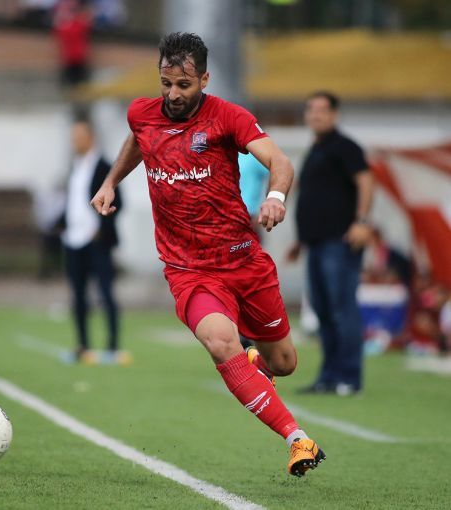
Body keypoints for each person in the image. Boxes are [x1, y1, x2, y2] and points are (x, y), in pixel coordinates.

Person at [90, 32, 325, 476]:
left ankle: (254, 361)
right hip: (188, 270)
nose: (173, 94)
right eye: (166, 84)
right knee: (220, 341)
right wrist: (110, 182)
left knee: (284, 363)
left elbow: (280, 161)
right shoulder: (141, 112)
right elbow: (139, 139)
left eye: (183, 85)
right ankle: (297, 439)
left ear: (204, 79)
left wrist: (275, 197)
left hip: (242, 261)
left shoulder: (229, 117)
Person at [287, 91, 374, 396]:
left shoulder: (345, 147)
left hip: (340, 241)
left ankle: (349, 377)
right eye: (311, 109)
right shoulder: (316, 150)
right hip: (316, 243)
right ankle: (329, 376)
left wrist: (362, 221)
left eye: (322, 110)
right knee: (323, 312)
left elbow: (366, 181)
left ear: (334, 114)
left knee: (341, 309)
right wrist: (299, 241)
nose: (316, 115)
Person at [59, 118, 124, 364]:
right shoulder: (74, 167)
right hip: (73, 240)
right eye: (73, 136)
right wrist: (61, 224)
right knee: (78, 295)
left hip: (96, 241)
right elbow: (73, 203)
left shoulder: (105, 167)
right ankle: (83, 344)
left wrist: (101, 227)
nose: (74, 141)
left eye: (79, 136)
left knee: (106, 293)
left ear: (91, 137)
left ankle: (113, 345)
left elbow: (119, 201)